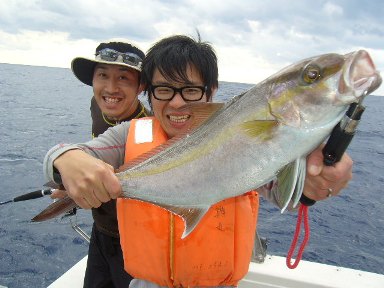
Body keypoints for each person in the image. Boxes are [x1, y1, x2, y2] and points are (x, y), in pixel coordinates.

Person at [44, 35, 353, 287]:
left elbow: (289, 192)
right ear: (149, 93)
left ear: (211, 91)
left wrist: (317, 183)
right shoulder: (127, 135)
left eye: (190, 90)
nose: (177, 102)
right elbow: (72, 155)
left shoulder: (239, 137)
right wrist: (66, 159)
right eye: (164, 90)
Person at [53, 40, 150, 288]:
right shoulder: (98, 105)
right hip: (101, 231)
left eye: (124, 79)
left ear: (141, 87)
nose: (111, 88)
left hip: (137, 244)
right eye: (103, 76)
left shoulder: (148, 130)